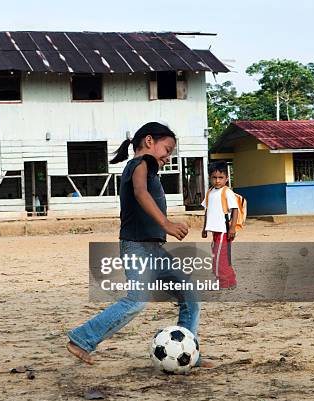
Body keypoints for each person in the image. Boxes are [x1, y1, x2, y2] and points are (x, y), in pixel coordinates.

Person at [65, 122, 213, 368]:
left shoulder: (148, 168)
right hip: (136, 247)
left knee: (189, 294)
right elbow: (140, 193)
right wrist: (166, 223)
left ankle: (190, 354)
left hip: (155, 249)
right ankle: (82, 339)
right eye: (166, 149)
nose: (168, 157)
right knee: (137, 299)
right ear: (148, 141)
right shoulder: (140, 164)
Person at [201, 162, 238, 289]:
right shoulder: (210, 192)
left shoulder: (227, 192)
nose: (217, 181)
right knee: (220, 256)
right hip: (214, 231)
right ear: (210, 178)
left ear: (227, 178)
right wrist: (204, 228)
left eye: (220, 177)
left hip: (224, 231)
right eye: (214, 177)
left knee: (219, 257)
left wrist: (232, 228)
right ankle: (231, 281)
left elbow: (235, 210)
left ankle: (223, 282)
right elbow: (207, 211)